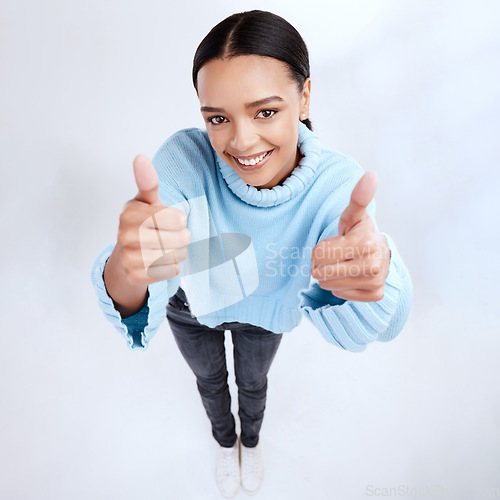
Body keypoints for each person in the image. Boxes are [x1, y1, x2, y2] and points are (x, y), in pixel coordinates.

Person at [90, 10, 413, 498]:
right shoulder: (183, 160)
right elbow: (146, 268)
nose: (240, 141)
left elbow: (385, 317)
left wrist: (378, 274)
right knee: (209, 381)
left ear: (304, 97)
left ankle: (252, 440)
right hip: (191, 308)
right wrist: (128, 266)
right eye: (218, 118)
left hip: (265, 316)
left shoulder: (337, 186)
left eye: (265, 111)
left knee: (254, 384)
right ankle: (225, 442)